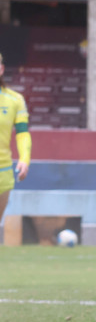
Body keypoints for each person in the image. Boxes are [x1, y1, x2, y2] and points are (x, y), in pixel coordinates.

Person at [0, 52, 31, 227]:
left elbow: (22, 132)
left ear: (1, 69)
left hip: (3, 174)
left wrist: (24, 159)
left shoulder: (15, 100)